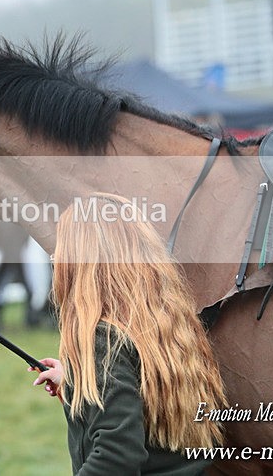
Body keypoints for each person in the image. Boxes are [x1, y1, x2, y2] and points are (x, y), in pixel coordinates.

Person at [30, 194, 226, 475]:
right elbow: (145, 401)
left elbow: (117, 458)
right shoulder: (169, 323)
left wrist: (92, 365)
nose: (55, 257)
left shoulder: (102, 338)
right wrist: (77, 380)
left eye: (61, 248)